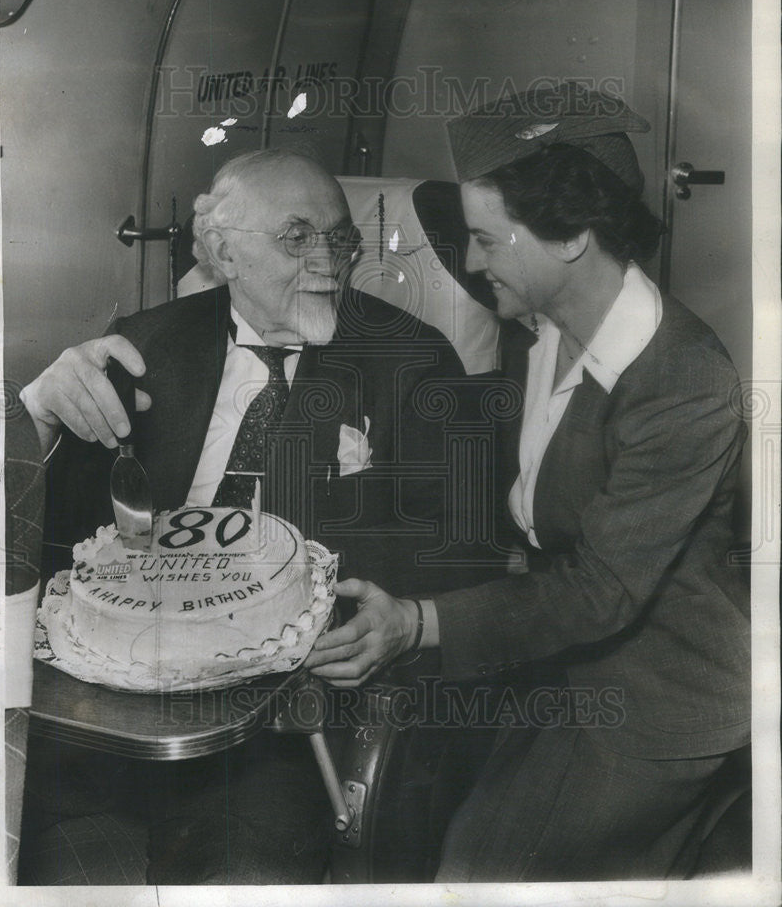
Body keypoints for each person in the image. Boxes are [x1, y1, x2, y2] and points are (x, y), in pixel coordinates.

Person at [306, 83, 751, 881]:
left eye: (487, 240)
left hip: (653, 698)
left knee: (476, 875)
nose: (471, 263)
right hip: (554, 662)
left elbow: (599, 591)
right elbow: (512, 503)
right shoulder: (541, 330)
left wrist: (416, 621)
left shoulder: (685, 381)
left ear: (573, 236)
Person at [19, 149, 494, 884]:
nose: (328, 262)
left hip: (279, 709)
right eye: (296, 237)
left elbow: (462, 553)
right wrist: (36, 417)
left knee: (239, 870)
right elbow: (52, 541)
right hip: (110, 693)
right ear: (224, 252)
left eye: (340, 238)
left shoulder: (413, 361)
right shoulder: (144, 345)